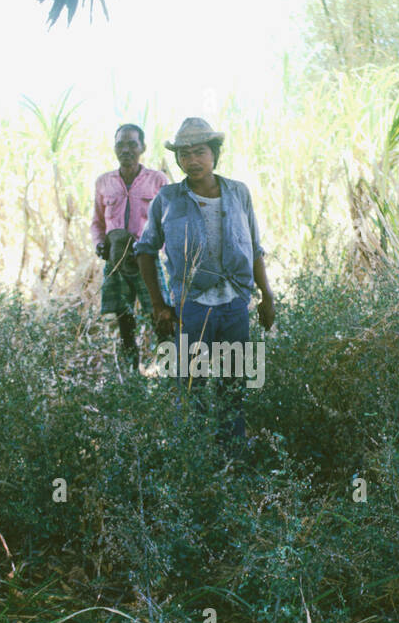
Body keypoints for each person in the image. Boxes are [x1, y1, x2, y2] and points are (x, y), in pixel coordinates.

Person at [134, 117, 275, 445]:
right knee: (190, 385)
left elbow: (254, 248)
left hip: (234, 305)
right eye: (184, 154)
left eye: (199, 152)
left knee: (234, 383)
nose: (192, 160)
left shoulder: (238, 192)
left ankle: (233, 458)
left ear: (214, 154)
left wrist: (266, 295)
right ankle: (195, 463)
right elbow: (145, 251)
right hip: (191, 308)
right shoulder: (168, 198)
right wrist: (159, 305)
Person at [90, 124, 169, 370]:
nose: (126, 150)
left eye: (132, 144)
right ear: (114, 148)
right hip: (116, 260)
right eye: (120, 145)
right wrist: (100, 244)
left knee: (161, 315)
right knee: (125, 320)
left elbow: (168, 220)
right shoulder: (104, 182)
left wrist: (167, 254)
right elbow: (97, 223)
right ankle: (131, 378)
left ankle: (172, 374)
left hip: (146, 258)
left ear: (142, 147)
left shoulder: (157, 180)